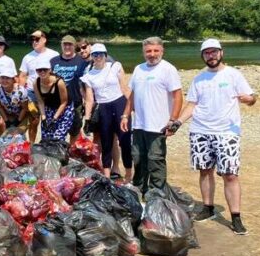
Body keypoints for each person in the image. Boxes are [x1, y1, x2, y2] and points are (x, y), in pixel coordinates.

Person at [170, 39, 257, 235]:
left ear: (221, 53)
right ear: (203, 56)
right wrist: (177, 123)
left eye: (214, 52)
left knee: (231, 175)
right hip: (200, 131)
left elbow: (252, 98)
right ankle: (207, 208)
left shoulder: (234, 74)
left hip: (227, 133)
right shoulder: (198, 79)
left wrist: (249, 99)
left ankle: (236, 217)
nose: (211, 56)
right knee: (205, 170)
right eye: (207, 53)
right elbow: (191, 105)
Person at [121, 36, 183, 195]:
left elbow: (177, 96)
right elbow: (132, 95)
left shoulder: (168, 69)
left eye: (156, 50)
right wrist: (125, 116)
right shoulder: (138, 69)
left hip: (159, 126)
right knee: (138, 159)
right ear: (143, 52)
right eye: (148, 51)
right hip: (139, 124)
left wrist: (172, 121)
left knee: (155, 161)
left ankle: (158, 195)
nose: (152, 54)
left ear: (162, 51)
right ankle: (139, 191)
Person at [81, 43, 132, 181]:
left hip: (119, 103)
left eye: (101, 54)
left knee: (125, 140)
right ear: (92, 56)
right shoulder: (89, 75)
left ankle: (128, 173)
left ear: (106, 55)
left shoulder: (115, 66)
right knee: (106, 142)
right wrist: (87, 119)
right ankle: (107, 175)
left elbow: (125, 88)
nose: (98, 57)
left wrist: (133, 108)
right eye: (95, 55)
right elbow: (90, 99)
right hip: (103, 108)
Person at [19, 30, 59, 142]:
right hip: (32, 93)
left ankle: (48, 143)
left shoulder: (54, 55)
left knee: (50, 120)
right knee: (34, 121)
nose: (34, 41)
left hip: (50, 93)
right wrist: (21, 92)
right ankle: (32, 145)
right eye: (32, 39)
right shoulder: (27, 57)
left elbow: (58, 74)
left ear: (44, 39)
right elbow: (22, 75)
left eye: (37, 39)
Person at [51, 35, 88, 145]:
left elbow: (86, 83)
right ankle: (58, 152)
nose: (67, 47)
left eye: (70, 44)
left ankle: (72, 153)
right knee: (57, 131)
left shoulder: (81, 61)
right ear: (61, 45)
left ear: (74, 46)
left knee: (75, 131)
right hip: (57, 103)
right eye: (65, 44)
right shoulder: (53, 61)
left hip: (75, 102)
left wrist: (87, 100)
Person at [33, 58, 72, 141]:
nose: (42, 72)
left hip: (64, 109)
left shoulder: (59, 82)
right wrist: (43, 118)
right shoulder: (36, 83)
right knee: (46, 137)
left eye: (45, 70)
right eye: (39, 70)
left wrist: (54, 119)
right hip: (49, 108)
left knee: (58, 137)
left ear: (49, 70)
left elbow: (64, 102)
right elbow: (40, 101)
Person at [0, 66, 29, 135]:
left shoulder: (21, 91)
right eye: (2, 78)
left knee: (17, 133)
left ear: (13, 79)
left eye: (7, 78)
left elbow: (24, 108)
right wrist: (7, 121)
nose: (4, 80)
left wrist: (17, 122)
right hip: (8, 114)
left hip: (21, 115)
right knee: (1, 124)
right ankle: (2, 142)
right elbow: (0, 107)